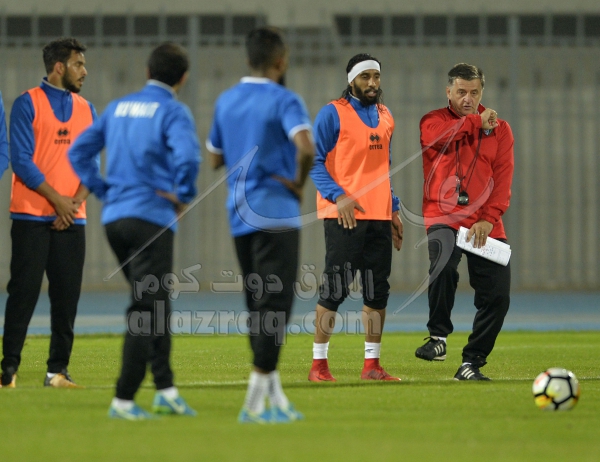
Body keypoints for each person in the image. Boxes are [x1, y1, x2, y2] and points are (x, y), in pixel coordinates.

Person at [68, 43, 200, 419]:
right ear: (183, 78)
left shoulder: (118, 107)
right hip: (150, 220)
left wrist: (104, 189)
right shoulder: (173, 110)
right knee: (146, 308)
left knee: (155, 304)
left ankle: (165, 390)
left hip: (115, 220)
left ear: (147, 71)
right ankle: (123, 400)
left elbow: (78, 153)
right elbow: (189, 157)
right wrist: (182, 196)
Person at [206, 27, 315, 423]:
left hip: (238, 213)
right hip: (275, 210)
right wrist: (298, 184)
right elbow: (306, 148)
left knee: (257, 304)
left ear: (248, 59)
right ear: (281, 61)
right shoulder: (284, 99)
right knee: (276, 305)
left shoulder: (226, 100)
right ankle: (253, 403)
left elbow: (214, 157)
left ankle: (275, 397)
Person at [1, 38, 96, 389]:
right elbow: (22, 162)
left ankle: (57, 371)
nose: (84, 71)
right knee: (23, 294)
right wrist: (59, 202)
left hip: (72, 218)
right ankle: (8, 371)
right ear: (59, 67)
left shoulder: (88, 109)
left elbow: (92, 165)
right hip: (31, 217)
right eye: (78, 64)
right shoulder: (27, 103)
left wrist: (72, 204)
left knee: (66, 297)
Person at [415, 63, 514, 381]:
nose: (468, 98)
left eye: (474, 92)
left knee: (498, 296)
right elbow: (439, 137)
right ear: (448, 92)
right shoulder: (432, 121)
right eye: (461, 92)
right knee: (443, 266)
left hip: (485, 224)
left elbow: (503, 179)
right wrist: (475, 122)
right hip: (444, 217)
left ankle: (472, 362)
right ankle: (438, 338)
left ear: (482, 92)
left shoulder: (500, 129)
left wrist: (489, 219)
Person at [308, 53, 403, 383]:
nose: (373, 83)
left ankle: (372, 365)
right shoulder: (332, 113)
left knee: (377, 293)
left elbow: (384, 168)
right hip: (343, 217)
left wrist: (393, 209)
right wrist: (338, 196)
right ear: (351, 80)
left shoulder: (386, 115)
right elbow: (313, 161)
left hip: (379, 217)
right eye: (365, 77)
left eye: (376, 76)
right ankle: (319, 365)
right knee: (334, 291)